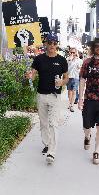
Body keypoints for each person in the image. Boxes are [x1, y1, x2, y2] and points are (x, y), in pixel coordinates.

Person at [26, 33, 68, 163]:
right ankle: (46, 143)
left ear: (57, 45)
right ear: (46, 43)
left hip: (55, 96)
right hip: (41, 95)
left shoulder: (62, 60)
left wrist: (62, 82)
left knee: (53, 124)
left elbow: (66, 78)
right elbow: (33, 75)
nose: (52, 45)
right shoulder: (39, 59)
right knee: (43, 124)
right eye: (50, 43)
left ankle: (52, 152)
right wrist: (29, 76)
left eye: (55, 43)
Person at [67, 47, 82, 112]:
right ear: (69, 52)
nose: (72, 53)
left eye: (74, 52)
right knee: (69, 91)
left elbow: (80, 68)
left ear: (76, 53)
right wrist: (70, 59)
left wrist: (77, 58)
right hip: (69, 76)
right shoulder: (67, 59)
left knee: (74, 91)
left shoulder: (79, 60)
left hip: (76, 77)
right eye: (71, 52)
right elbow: (66, 67)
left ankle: (72, 105)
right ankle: (70, 103)